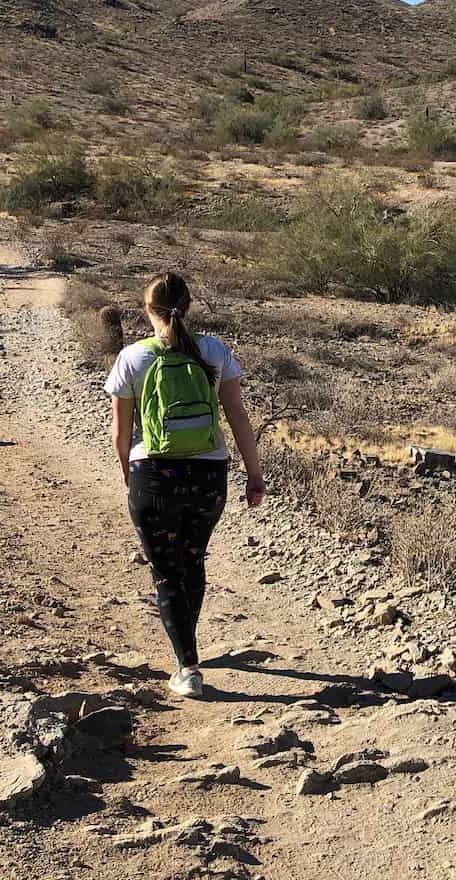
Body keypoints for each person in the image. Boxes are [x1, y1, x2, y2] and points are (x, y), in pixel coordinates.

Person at [104, 271, 265, 698]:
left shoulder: (132, 357)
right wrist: (254, 474)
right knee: (192, 561)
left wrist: (128, 473)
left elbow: (121, 432)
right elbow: (238, 415)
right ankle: (187, 647)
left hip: (153, 472)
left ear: (147, 310)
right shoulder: (213, 351)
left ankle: (187, 667)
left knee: (166, 572)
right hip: (208, 475)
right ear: (189, 306)